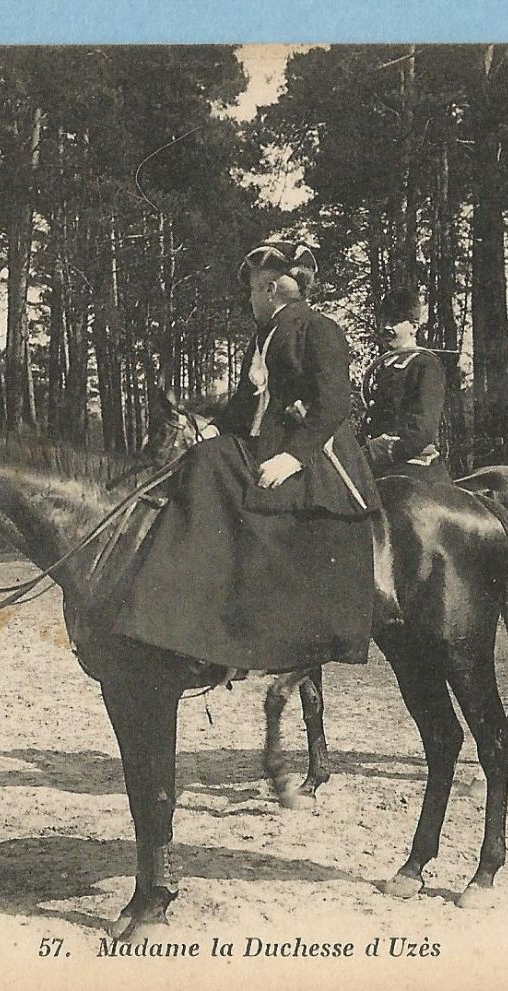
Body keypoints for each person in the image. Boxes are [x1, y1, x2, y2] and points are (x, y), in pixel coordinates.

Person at [110, 240, 381, 671]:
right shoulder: (264, 336)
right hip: (263, 449)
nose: (249, 298)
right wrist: (211, 431)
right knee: (201, 457)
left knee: (207, 466)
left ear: (271, 288)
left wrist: (291, 458)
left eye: (253, 290)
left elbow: (334, 404)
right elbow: (243, 405)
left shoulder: (318, 328)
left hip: (316, 461)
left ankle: (183, 615)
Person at [360, 288, 450, 483]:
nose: (386, 327)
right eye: (384, 321)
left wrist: (383, 449)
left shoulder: (424, 364)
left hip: (413, 464)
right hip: (382, 464)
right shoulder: (385, 366)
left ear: (414, 327)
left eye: (394, 321)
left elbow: (422, 430)